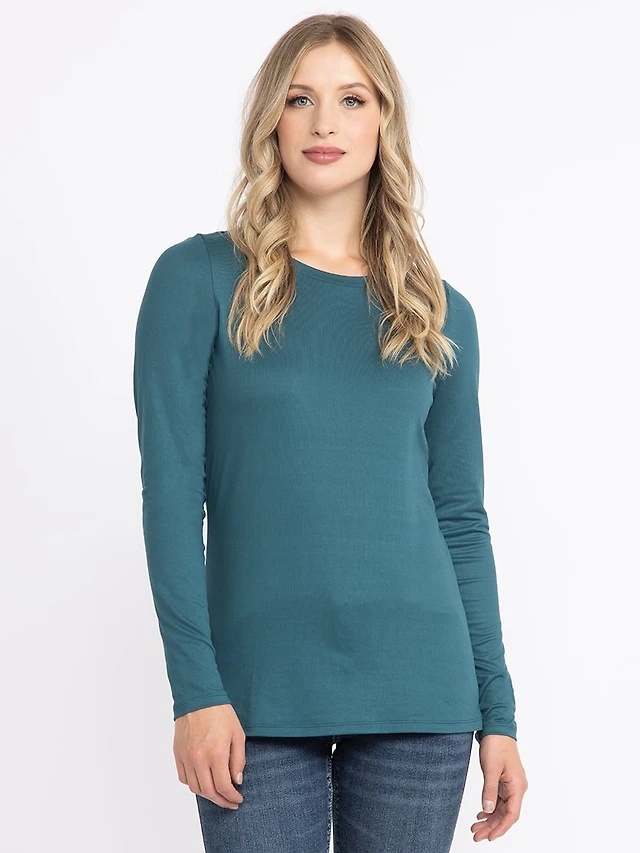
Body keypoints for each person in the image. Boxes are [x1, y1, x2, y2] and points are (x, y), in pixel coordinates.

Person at [133, 12, 528, 852]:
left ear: (384, 121)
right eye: (299, 98)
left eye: (352, 99)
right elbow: (170, 497)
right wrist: (194, 690)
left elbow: (460, 518)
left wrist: (498, 710)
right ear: (270, 120)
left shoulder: (440, 312)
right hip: (254, 692)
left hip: (421, 689)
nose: (324, 123)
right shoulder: (197, 279)